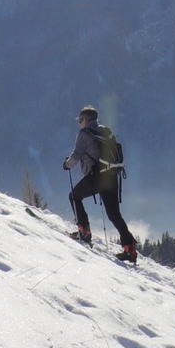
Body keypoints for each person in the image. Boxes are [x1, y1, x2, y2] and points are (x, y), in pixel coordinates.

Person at [63, 105, 136, 263]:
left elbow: (76, 155)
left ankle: (84, 232)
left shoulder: (84, 134)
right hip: (112, 176)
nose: (79, 123)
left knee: (74, 196)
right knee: (114, 215)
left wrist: (67, 164)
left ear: (86, 119)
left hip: (96, 177)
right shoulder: (106, 131)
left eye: (80, 120)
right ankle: (130, 249)